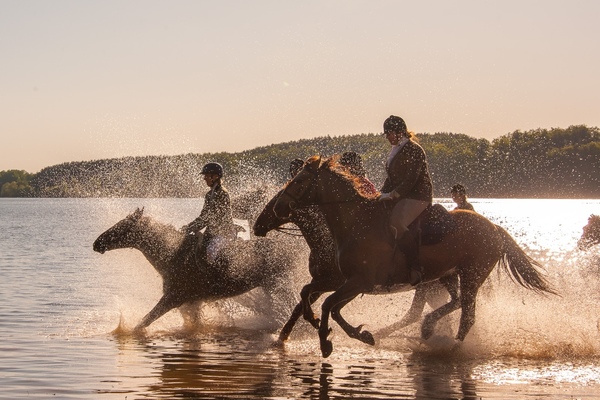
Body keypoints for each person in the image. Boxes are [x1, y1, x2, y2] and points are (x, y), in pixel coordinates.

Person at [378, 115, 433, 285]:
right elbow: (392, 178)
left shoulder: (414, 149)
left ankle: (416, 267)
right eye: (386, 134)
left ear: (400, 132)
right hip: (403, 195)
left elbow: (411, 178)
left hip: (418, 196)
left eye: (389, 133)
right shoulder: (395, 150)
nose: (387, 137)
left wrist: (394, 194)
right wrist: (379, 195)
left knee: (396, 222)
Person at [181, 162, 236, 265]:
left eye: (206, 175)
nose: (204, 178)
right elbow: (204, 215)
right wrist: (190, 226)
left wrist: (193, 227)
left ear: (215, 176)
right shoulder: (209, 195)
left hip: (225, 232)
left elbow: (211, 217)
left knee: (211, 250)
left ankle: (215, 278)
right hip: (214, 231)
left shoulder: (222, 193)